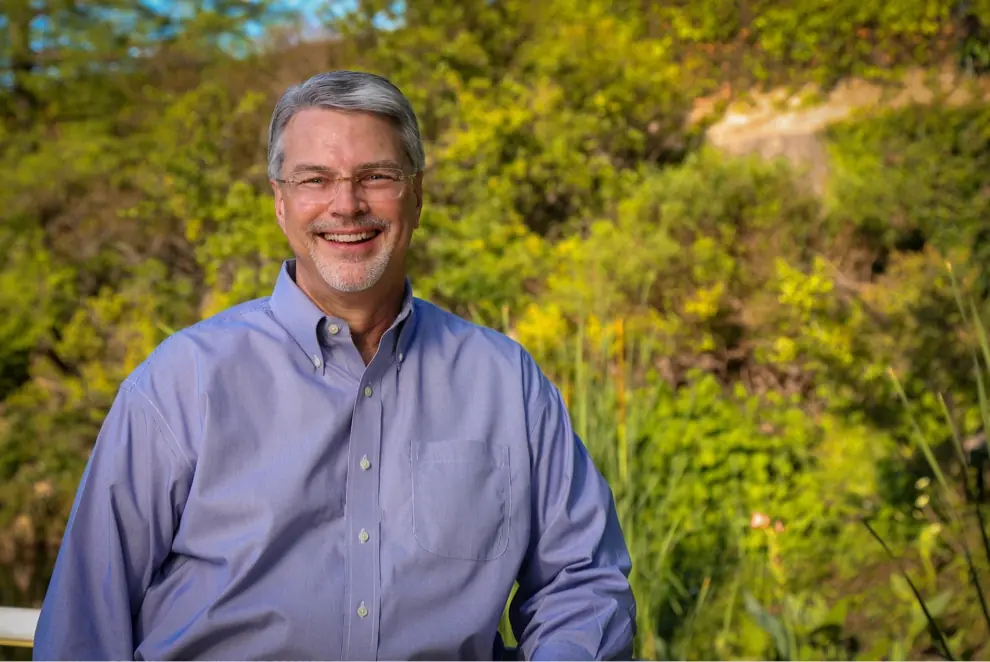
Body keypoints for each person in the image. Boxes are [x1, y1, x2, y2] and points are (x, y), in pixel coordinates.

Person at [33, 70, 636, 661]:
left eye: (375, 176)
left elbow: (581, 582)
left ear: (417, 194)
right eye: (315, 179)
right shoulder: (182, 381)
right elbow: (87, 624)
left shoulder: (506, 382)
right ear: (280, 202)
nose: (346, 205)